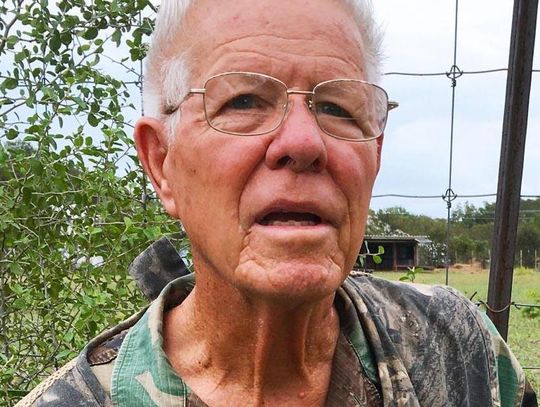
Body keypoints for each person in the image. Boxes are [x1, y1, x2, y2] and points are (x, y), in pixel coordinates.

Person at [18, 0, 537, 406]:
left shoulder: (458, 349)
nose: (305, 143)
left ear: (375, 155)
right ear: (162, 163)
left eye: (337, 108)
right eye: (242, 101)